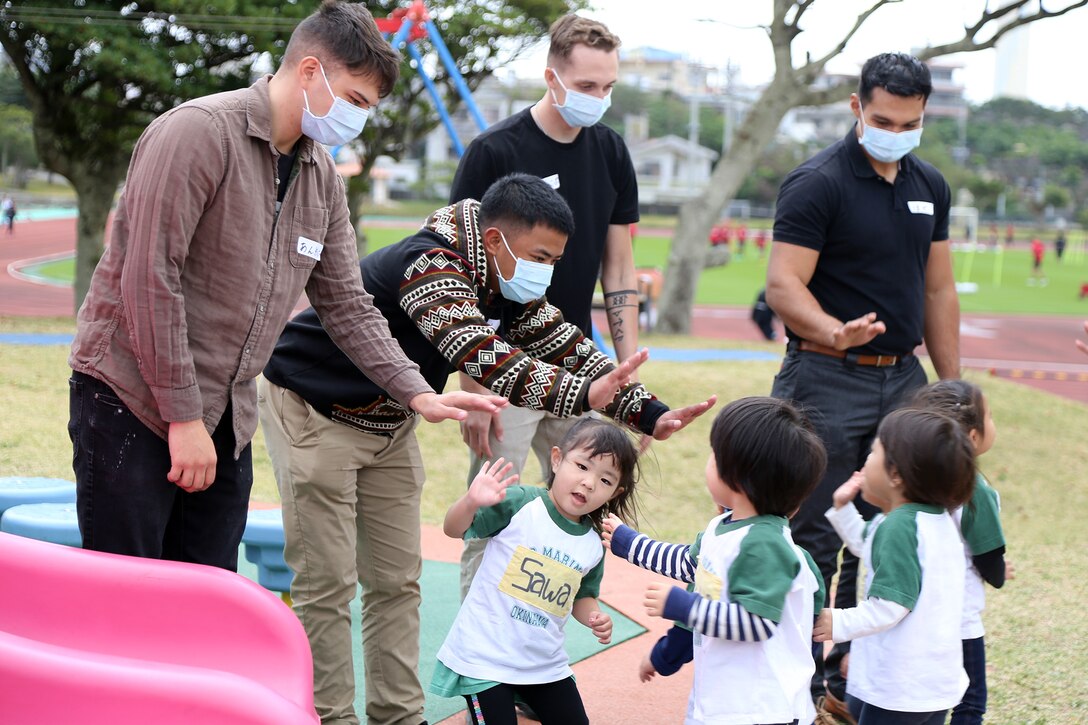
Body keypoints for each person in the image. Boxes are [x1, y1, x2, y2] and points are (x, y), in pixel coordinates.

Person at [260, 173, 714, 725]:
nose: (544, 272)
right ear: (497, 241)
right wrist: (579, 395)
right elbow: (482, 354)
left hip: (391, 420)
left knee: (397, 581)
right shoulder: (430, 263)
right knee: (327, 585)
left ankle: (398, 717)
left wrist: (649, 412)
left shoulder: (502, 274)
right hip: (315, 408)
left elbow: (562, 341)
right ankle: (330, 719)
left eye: (554, 260)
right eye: (540, 257)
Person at [66, 1, 498, 575]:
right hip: (135, 399)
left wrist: (417, 392)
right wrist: (183, 418)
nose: (358, 120)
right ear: (311, 71)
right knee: (123, 598)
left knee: (205, 600)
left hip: (224, 412)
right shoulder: (197, 133)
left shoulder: (320, 177)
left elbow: (347, 304)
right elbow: (151, 280)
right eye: (356, 101)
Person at [766, 52, 959, 715]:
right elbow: (783, 284)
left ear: (923, 115)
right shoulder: (817, 182)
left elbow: (937, 287)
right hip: (824, 375)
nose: (895, 131)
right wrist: (829, 329)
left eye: (909, 122)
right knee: (812, 533)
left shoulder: (930, 184)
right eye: (882, 118)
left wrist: (952, 391)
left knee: (884, 538)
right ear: (856, 107)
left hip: (905, 380)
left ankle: (843, 684)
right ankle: (792, 678)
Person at [447, 14, 642, 599]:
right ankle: (478, 674)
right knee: (493, 519)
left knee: (576, 519)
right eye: (587, 87)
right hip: (503, 370)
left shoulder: (611, 151)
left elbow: (620, 268)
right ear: (552, 77)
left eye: (608, 88)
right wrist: (474, 383)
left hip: (578, 367)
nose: (598, 99)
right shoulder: (493, 151)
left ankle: (537, 657)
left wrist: (628, 375)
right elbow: (459, 272)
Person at [602, 397, 828, 725]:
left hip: (762, 709)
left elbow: (757, 622)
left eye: (714, 454)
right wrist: (630, 544)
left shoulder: (766, 546)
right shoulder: (725, 527)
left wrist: (685, 606)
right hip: (725, 697)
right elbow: (691, 564)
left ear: (737, 476)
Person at [431, 418, 640, 725]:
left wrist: (595, 617)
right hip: (485, 658)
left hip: (543, 664)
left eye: (605, 481)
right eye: (582, 466)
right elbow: (453, 529)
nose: (589, 482)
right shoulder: (520, 504)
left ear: (614, 492)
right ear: (557, 459)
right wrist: (470, 501)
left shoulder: (593, 544)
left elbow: (583, 595)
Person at [815, 408, 976, 724]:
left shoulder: (900, 527)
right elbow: (869, 546)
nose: (866, 461)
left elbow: (891, 606)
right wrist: (842, 507)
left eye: (874, 452)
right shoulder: (934, 520)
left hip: (898, 687)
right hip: (932, 683)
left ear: (896, 474)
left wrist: (838, 622)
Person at [909, 380, 1011, 724]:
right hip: (961, 620)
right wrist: (998, 571)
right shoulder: (976, 492)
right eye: (991, 417)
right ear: (971, 437)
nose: (994, 423)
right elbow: (989, 559)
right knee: (970, 702)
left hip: (918, 614)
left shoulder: (912, 482)